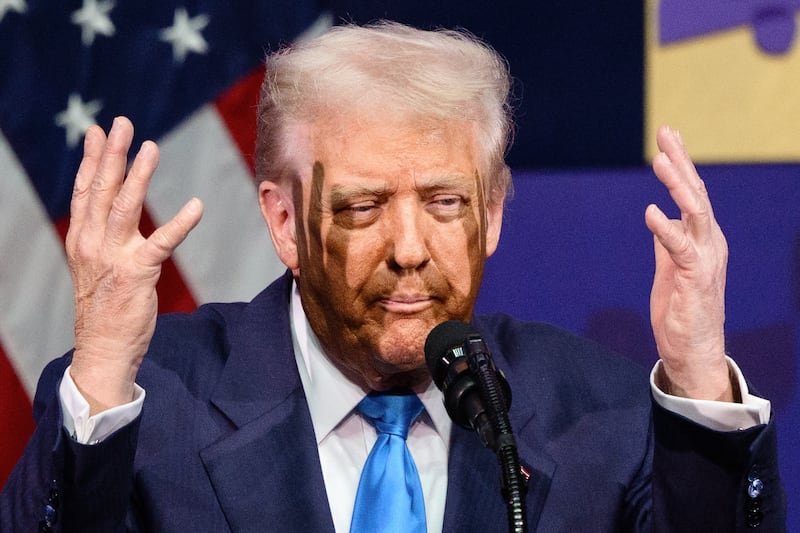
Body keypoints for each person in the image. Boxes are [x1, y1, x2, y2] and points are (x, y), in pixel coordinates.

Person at [0, 21, 786, 532]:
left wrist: (697, 386)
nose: (410, 247)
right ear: (283, 223)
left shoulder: (602, 415)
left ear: (496, 213)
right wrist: (102, 369)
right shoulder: (151, 405)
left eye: (445, 201)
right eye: (365, 205)